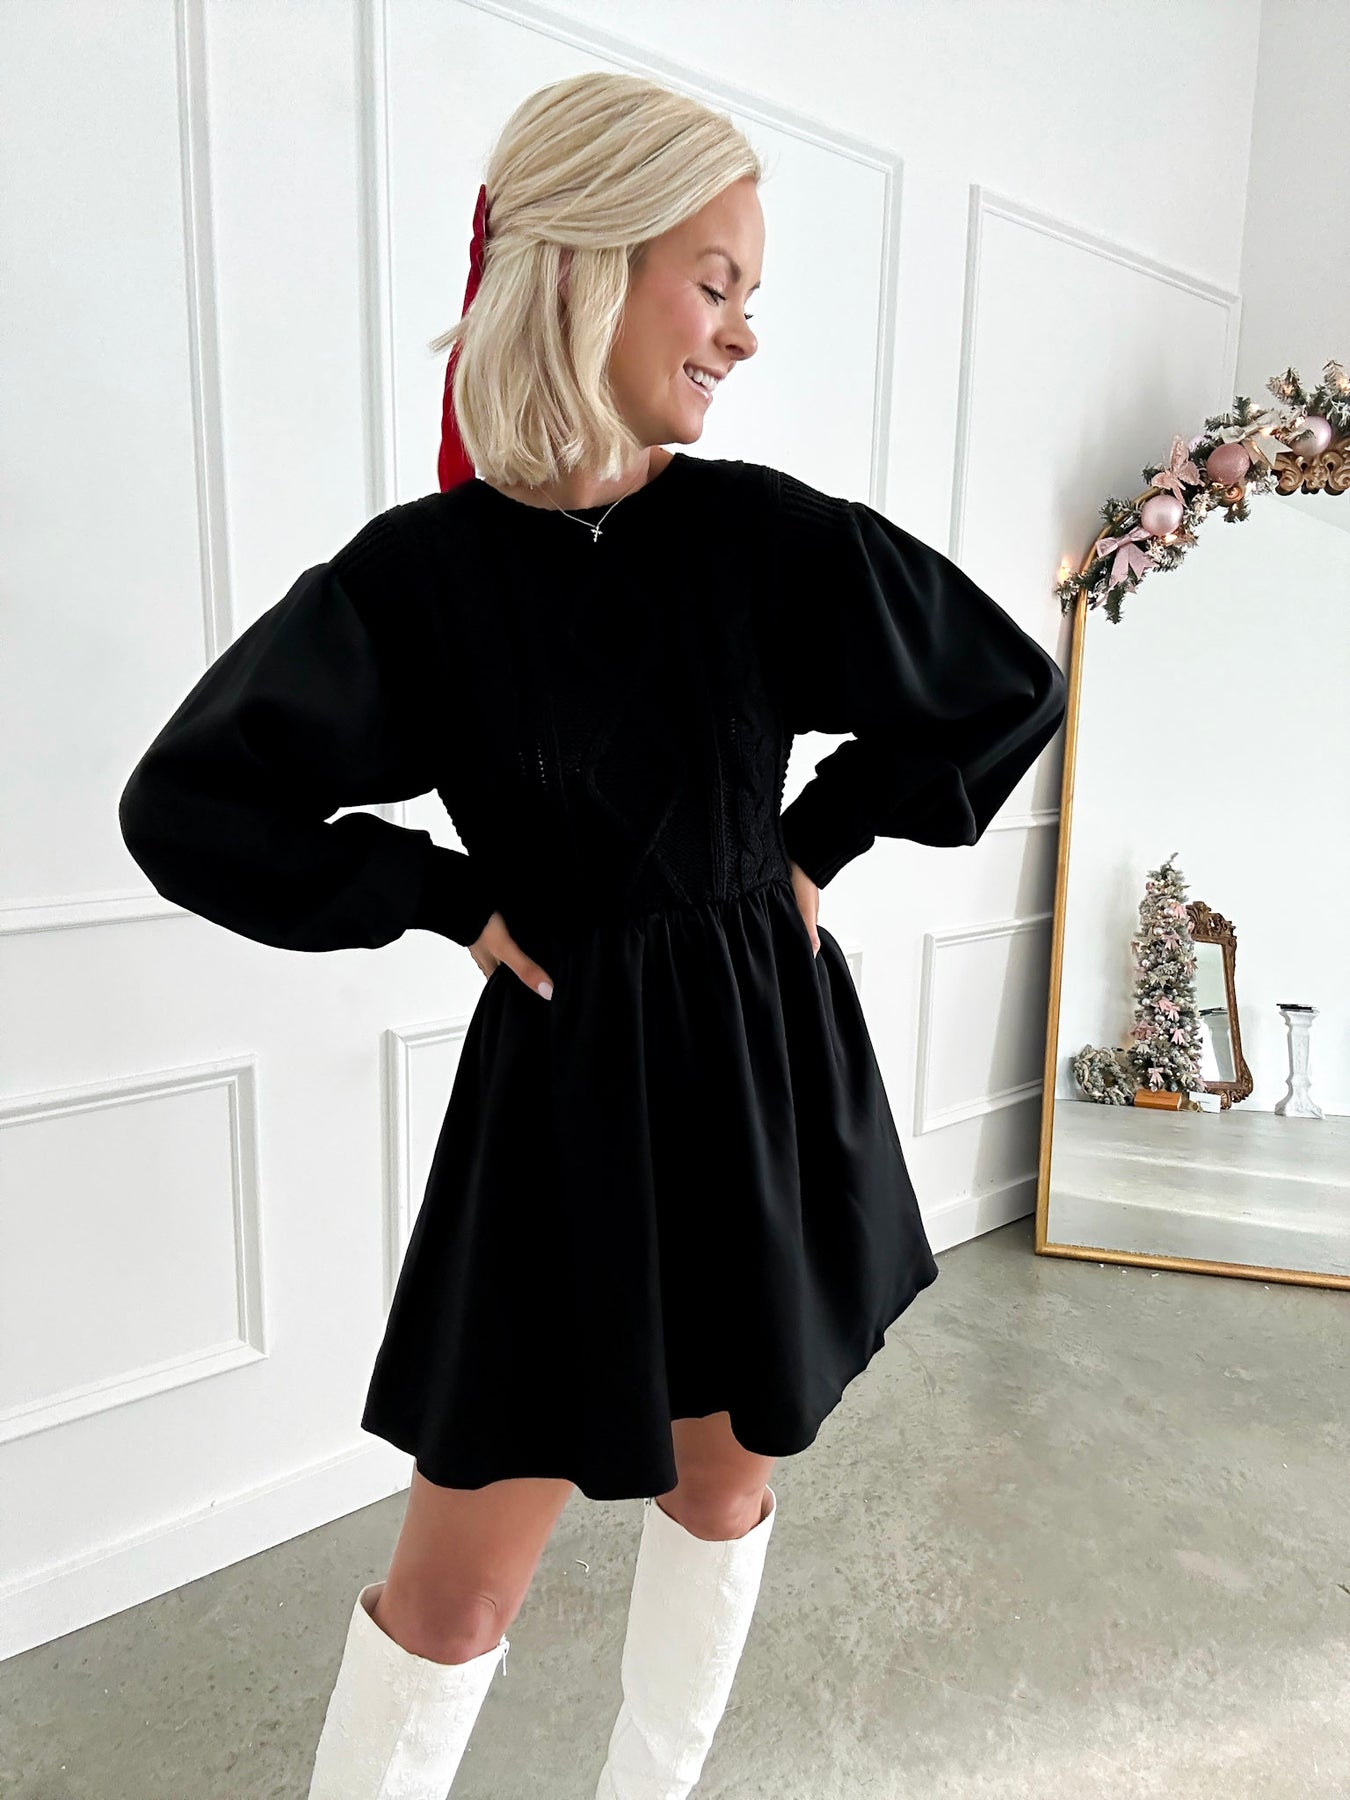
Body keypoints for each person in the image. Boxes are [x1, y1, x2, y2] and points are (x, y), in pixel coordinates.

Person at [117, 70, 1068, 1800]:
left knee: (722, 1482)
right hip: (563, 1107)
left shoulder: (763, 538)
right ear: (585, 265)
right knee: (452, 1593)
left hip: (761, 1067)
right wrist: (438, 895)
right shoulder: (420, 579)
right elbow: (190, 807)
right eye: (714, 283)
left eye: (750, 293)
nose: (743, 333)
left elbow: (1001, 685)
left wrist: (813, 841)